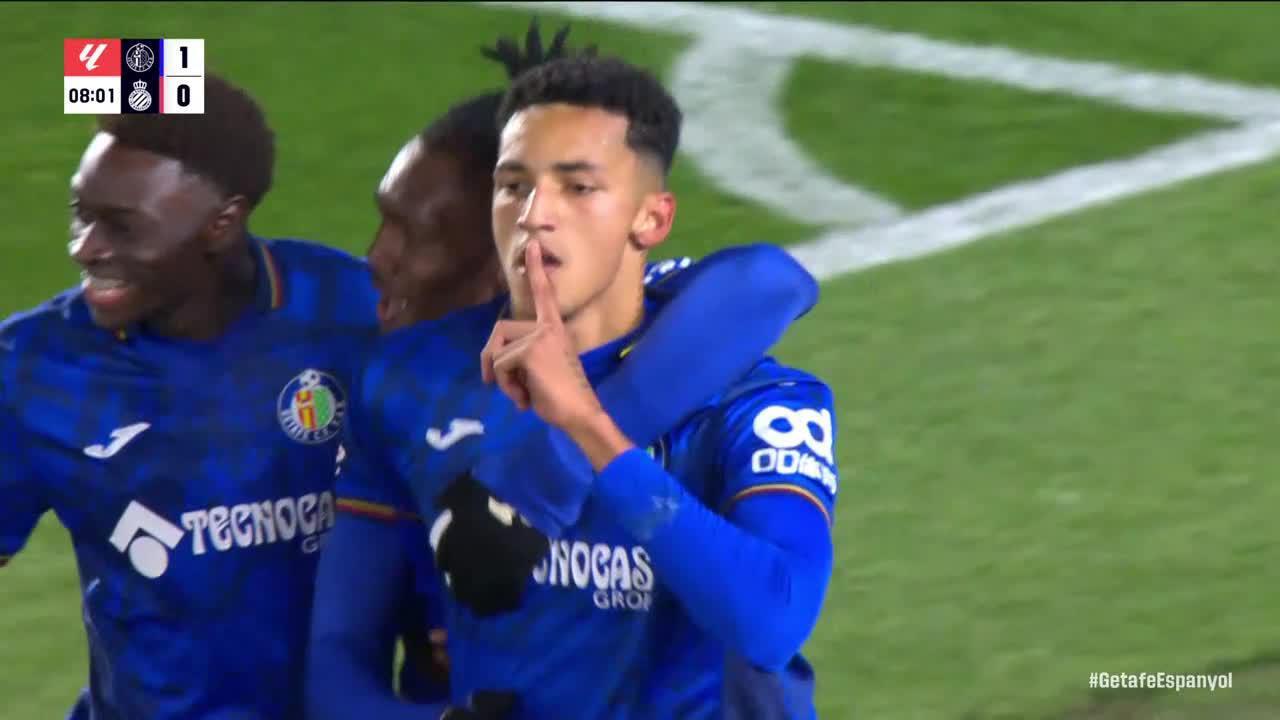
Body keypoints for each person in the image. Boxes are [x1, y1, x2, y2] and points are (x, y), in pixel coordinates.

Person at [306, 25, 827, 720]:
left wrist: (587, 435)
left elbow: (773, 622)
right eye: (512, 186)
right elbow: (336, 663)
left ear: (651, 218)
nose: (534, 216)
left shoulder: (754, 401)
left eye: (577, 188)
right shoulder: (410, 381)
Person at [2, 75, 382, 720]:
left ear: (222, 223)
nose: (83, 248)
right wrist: (116, 75)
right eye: (80, 214)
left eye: (120, 227)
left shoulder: (350, 309)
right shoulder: (34, 366)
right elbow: (94, 63)